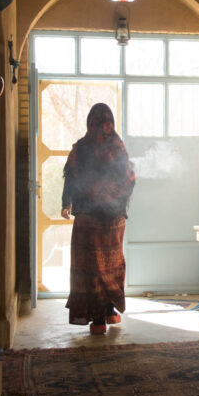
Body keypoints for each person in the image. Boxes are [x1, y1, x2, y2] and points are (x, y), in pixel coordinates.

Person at [61, 103, 135, 335]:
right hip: (113, 220)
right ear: (109, 121)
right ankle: (109, 310)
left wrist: (66, 204)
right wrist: (116, 200)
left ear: (89, 121)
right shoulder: (118, 146)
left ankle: (98, 319)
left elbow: (70, 177)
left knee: (89, 267)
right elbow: (130, 178)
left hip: (86, 219)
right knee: (111, 264)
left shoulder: (80, 147)